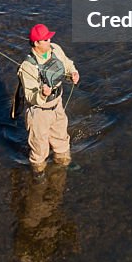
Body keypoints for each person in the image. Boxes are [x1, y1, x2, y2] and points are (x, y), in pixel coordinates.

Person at [17, 23, 80, 176]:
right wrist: (43, 94)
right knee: (39, 148)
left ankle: (64, 163)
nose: (49, 41)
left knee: (61, 140)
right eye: (46, 40)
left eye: (49, 38)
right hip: (39, 112)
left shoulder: (56, 49)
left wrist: (73, 73)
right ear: (36, 43)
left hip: (57, 104)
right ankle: (38, 174)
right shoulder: (27, 66)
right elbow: (30, 96)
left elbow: (67, 64)